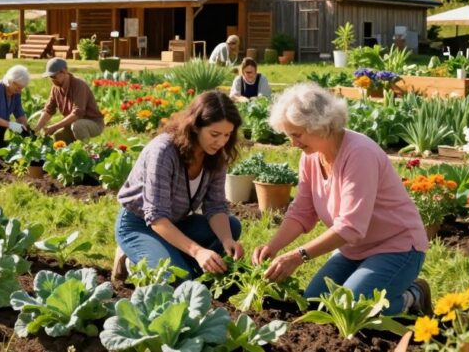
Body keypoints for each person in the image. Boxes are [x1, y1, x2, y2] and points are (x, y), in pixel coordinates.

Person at [252, 82, 431, 316]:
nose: (293, 143)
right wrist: (272, 248)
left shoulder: (359, 153)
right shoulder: (311, 157)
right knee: (314, 305)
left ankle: (414, 296)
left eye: (296, 135)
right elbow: (301, 212)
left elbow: (351, 227)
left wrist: (299, 256)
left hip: (397, 247)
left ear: (320, 125)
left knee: (348, 310)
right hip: (352, 250)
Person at [114, 91, 244, 279]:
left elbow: (215, 205)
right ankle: (131, 261)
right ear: (196, 126)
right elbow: (156, 216)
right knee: (178, 279)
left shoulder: (216, 156)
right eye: (215, 134)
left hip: (177, 223)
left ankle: (175, 258)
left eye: (227, 135)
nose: (221, 142)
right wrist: (198, 251)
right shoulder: (163, 152)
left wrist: (227, 240)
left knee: (231, 227)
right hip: (140, 224)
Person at [32, 58, 104, 143]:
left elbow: (77, 113)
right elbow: (48, 110)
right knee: (58, 136)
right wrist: (36, 130)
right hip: (72, 124)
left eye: (54, 76)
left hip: (94, 123)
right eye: (50, 77)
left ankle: (86, 152)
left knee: (78, 126)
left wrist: (55, 126)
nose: (52, 80)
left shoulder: (79, 85)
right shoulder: (56, 88)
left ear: (65, 71)